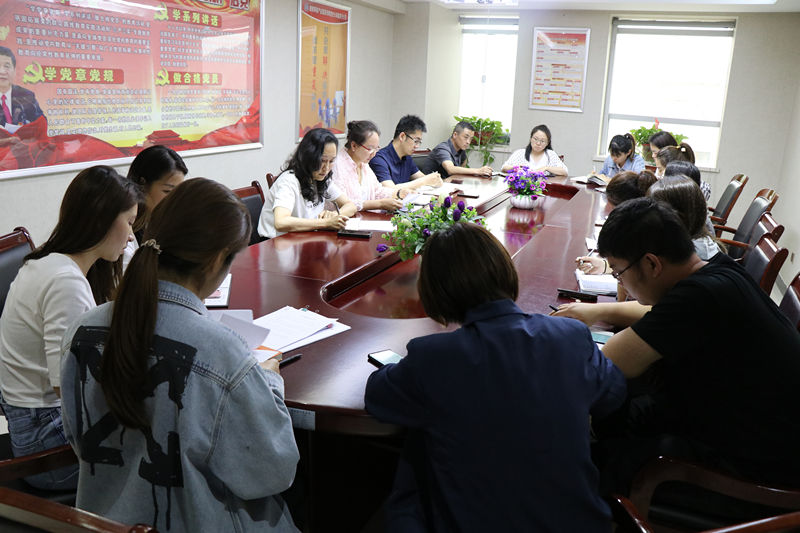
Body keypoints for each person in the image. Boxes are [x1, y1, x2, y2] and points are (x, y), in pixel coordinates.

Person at [60, 178, 300, 532]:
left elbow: (76, 438)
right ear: (217, 260)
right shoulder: (222, 352)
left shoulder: (81, 330)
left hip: (102, 520)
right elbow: (272, 472)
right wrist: (269, 381)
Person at [365, 222, 625, 533]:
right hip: (578, 524)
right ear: (505, 271)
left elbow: (377, 397)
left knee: (420, 444)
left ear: (434, 291)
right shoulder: (570, 335)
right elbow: (614, 394)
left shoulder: (434, 356)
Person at [594, 198, 800, 493]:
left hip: (760, 470)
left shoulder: (697, 298)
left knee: (595, 462)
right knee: (622, 411)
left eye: (618, 272)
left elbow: (606, 364)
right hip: (754, 434)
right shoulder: (719, 269)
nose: (621, 284)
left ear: (652, 264)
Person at [0, 166, 140, 490]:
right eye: (130, 223)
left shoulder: (49, 261)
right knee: (165, 441)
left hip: (37, 422)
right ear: (101, 220)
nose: (132, 236)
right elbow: (70, 387)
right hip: (47, 444)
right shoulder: (65, 281)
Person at [258, 128, 357, 238]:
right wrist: (326, 223)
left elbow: (351, 205)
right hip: (275, 242)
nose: (326, 168)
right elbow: (281, 222)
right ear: (308, 157)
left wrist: (334, 216)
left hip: (305, 237)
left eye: (332, 161)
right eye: (322, 161)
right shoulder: (289, 181)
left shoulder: (322, 178)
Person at [123, 145, 188, 268]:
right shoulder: (124, 229)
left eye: (178, 192)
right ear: (142, 184)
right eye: (167, 191)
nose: (174, 199)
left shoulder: (164, 220)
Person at [329, 120, 406, 212]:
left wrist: (398, 193)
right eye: (370, 149)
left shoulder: (363, 163)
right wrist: (379, 204)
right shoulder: (337, 166)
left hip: (365, 217)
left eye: (376, 148)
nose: (373, 154)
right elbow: (344, 204)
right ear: (354, 146)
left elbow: (377, 191)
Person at [369, 115, 443, 190]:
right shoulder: (379, 159)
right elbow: (389, 189)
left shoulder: (407, 157)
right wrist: (424, 181)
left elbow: (422, 177)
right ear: (402, 136)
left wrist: (434, 179)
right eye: (416, 141)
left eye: (419, 142)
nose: (417, 146)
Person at [427, 121, 493, 178]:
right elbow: (451, 169)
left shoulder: (461, 150)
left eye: (471, 139)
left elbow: (460, 171)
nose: (468, 142)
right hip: (430, 186)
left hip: (447, 184)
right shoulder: (442, 149)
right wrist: (478, 171)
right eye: (466, 137)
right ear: (455, 135)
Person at [0, 46, 44, 128]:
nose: (2, 71)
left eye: (7, 66)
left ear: (14, 71)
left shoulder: (27, 96)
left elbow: (42, 123)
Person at [500, 124, 568, 176]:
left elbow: (565, 172)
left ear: (547, 143)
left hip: (544, 188)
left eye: (542, 141)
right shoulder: (520, 153)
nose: (538, 143)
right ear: (531, 138)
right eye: (535, 139)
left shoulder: (550, 154)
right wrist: (515, 167)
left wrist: (546, 168)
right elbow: (504, 168)